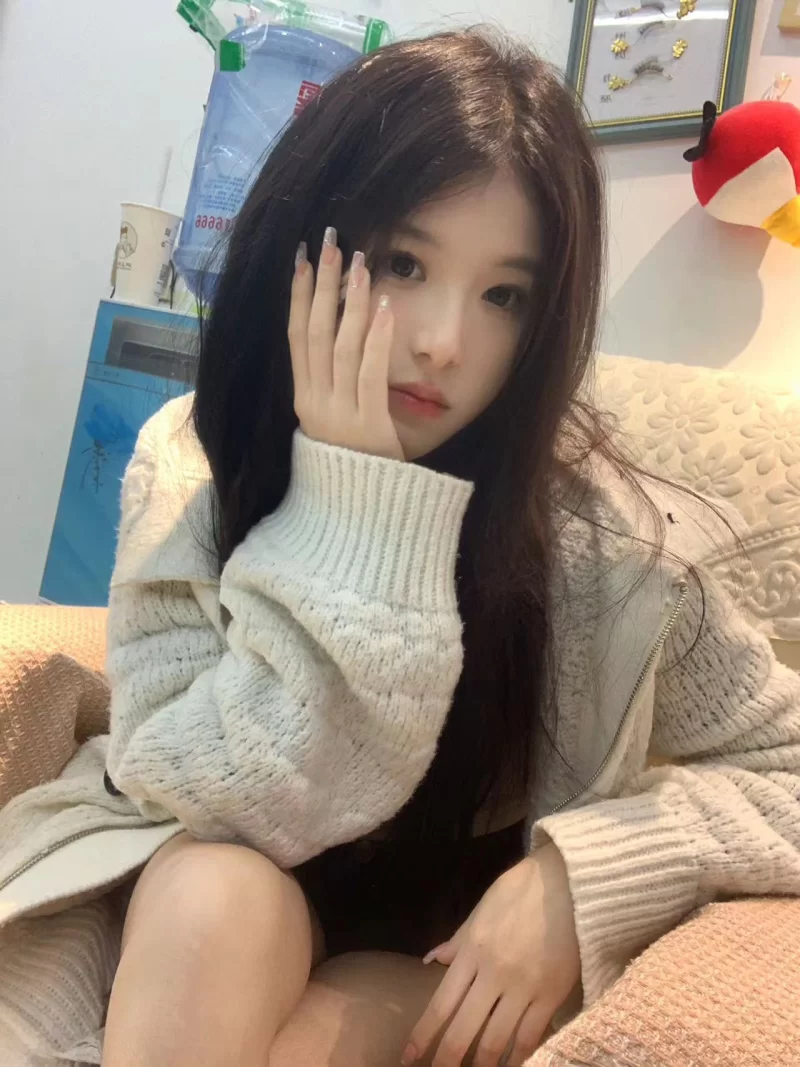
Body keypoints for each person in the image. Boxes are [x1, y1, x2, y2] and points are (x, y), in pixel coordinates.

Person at [1, 26, 800, 1067]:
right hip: (215, 908)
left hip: (443, 963)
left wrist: (580, 875)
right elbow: (205, 795)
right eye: (403, 263)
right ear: (304, 247)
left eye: (504, 295)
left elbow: (785, 766)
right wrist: (357, 510)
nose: (442, 342)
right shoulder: (191, 470)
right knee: (212, 890)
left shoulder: (607, 549)